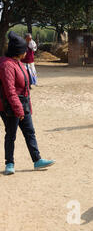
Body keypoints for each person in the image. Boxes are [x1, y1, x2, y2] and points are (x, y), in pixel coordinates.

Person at [0, 31, 55, 175]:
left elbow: (25, 87)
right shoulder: (7, 66)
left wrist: (27, 108)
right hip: (10, 106)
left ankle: (37, 160)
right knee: (11, 134)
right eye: (24, 50)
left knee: (30, 132)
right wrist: (19, 110)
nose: (26, 52)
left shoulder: (18, 63)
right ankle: (9, 163)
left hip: (22, 104)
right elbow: (10, 91)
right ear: (18, 51)